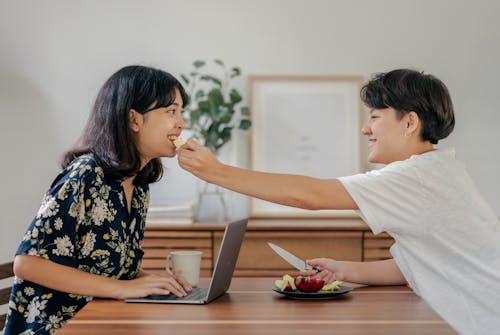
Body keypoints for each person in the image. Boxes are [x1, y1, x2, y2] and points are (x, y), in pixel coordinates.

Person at [177, 68, 500, 335]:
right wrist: (345, 269)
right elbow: (419, 263)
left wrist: (216, 171)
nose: (365, 128)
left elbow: (310, 196)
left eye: (374, 117)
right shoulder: (441, 169)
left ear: (410, 122)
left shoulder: (414, 178)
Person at [4, 65, 192, 334]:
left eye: (181, 112)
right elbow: (28, 263)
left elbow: (107, 267)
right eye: (171, 111)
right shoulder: (86, 174)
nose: (181, 123)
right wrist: (124, 288)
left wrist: (153, 281)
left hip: (104, 322)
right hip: (59, 327)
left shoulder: (138, 186)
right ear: (133, 120)